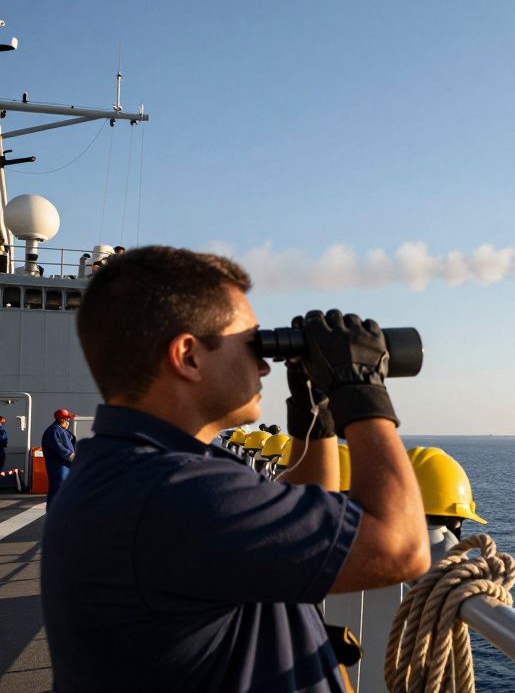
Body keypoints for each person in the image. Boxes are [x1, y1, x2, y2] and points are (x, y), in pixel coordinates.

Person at [41, 246, 429, 692]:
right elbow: (400, 549)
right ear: (188, 356)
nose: (265, 364)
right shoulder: (175, 491)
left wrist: (313, 408)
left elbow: (299, 520)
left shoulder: (130, 471)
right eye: (250, 344)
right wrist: (360, 388)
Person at [42, 409, 77, 505]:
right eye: (67, 419)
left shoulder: (61, 430)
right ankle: (53, 515)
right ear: (62, 419)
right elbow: (59, 448)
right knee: (58, 490)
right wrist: (72, 456)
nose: (68, 422)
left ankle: (58, 514)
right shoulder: (53, 431)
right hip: (58, 466)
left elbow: (71, 442)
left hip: (65, 466)